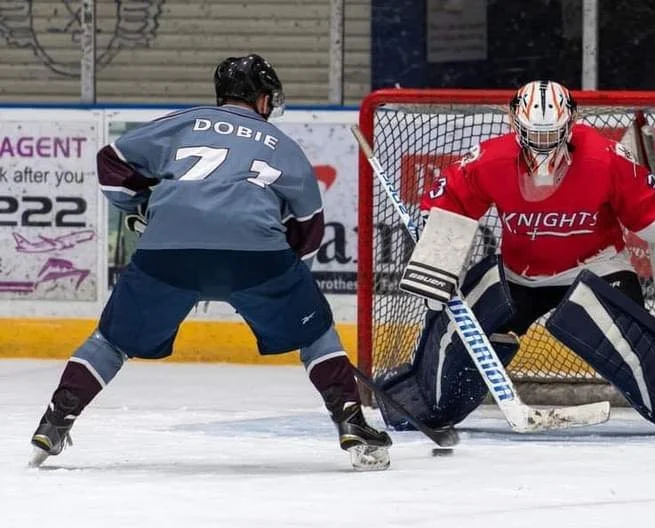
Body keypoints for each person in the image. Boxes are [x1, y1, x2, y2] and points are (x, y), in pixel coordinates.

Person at [29, 54, 391, 471]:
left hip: (168, 251)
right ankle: (351, 421)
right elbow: (308, 228)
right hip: (256, 256)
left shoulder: (182, 124)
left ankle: (54, 422)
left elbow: (110, 162)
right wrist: (283, 276)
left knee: (110, 341)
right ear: (261, 99)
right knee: (317, 334)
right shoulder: (284, 146)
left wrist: (143, 207)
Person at [381, 80, 655, 434]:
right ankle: (427, 398)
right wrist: (436, 253)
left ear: (571, 123)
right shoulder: (491, 159)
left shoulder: (606, 159)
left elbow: (653, 215)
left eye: (551, 134)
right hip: (522, 277)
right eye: (534, 134)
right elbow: (448, 204)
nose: (543, 145)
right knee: (467, 340)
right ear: (515, 123)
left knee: (634, 348)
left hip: (598, 268)